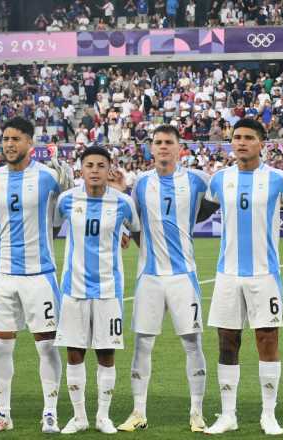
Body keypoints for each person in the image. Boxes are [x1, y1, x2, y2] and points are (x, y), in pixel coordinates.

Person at [109, 125, 215, 432]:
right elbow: (136, 224)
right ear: (151, 149)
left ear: (179, 148)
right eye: (158, 143)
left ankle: (197, 413)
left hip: (184, 276)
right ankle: (138, 412)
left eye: (169, 142)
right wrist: (125, 231)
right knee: (142, 343)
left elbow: (220, 204)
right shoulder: (141, 184)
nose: (164, 147)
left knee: (193, 343)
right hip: (150, 277)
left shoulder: (197, 180)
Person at [0, 117, 72, 433]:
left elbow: (71, 204)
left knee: (46, 345)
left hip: (40, 275)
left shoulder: (48, 178)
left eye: (16, 139)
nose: (9, 144)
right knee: (2, 346)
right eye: (5, 138)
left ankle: (50, 412)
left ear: (30, 143)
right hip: (4, 274)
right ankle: (2, 414)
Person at [202, 119, 283, 435]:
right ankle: (228, 414)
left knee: (267, 339)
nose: (241, 142)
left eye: (248, 138)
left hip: (264, 275)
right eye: (236, 137)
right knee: (227, 341)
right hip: (227, 275)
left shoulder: (279, 180)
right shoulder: (219, 180)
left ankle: (268, 414)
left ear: (262, 143)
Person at [54, 146, 141, 434]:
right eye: (89, 165)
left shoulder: (123, 203)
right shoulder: (67, 201)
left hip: (108, 289)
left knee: (106, 353)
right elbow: (52, 229)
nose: (94, 170)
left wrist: (126, 235)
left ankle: (103, 416)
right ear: (81, 169)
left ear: (109, 169)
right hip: (73, 289)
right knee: (75, 352)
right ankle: (79, 417)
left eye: (100, 165)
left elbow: (136, 232)